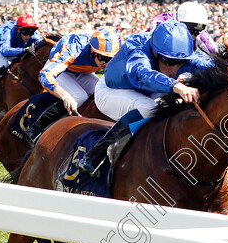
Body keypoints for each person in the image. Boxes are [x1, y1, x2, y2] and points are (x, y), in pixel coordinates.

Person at [77, 20, 215, 176]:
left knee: (176, 103)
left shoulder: (177, 50)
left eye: (181, 62)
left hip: (148, 91)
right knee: (148, 108)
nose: (175, 68)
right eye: (169, 61)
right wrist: (177, 86)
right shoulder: (137, 45)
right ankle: (95, 155)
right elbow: (142, 74)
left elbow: (211, 65)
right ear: (155, 52)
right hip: (111, 90)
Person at [23, 27, 122, 146]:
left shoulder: (110, 51)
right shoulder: (74, 47)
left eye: (111, 59)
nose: (106, 64)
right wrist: (65, 96)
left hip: (84, 71)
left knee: (104, 91)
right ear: (92, 51)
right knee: (78, 96)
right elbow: (45, 75)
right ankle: (37, 127)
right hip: (61, 71)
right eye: (103, 58)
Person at [0, 14, 44, 105]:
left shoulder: (31, 34)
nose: (28, 36)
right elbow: (5, 50)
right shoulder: (7, 29)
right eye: (25, 32)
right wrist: (25, 50)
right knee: (3, 63)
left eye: (31, 33)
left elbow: (43, 43)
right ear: (18, 29)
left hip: (13, 47)